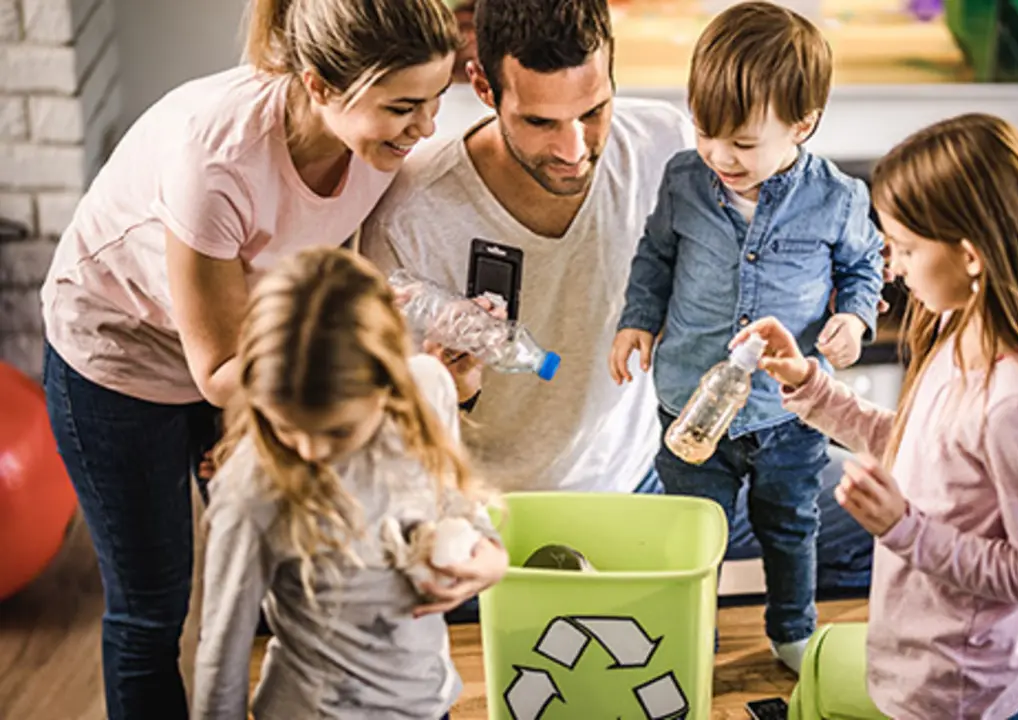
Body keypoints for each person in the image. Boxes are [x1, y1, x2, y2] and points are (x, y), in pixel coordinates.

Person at [360, 0, 877, 610]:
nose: (574, 148)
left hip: (656, 474)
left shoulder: (670, 145)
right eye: (540, 122)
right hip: (499, 518)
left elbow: (786, 207)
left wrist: (860, 289)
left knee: (880, 515)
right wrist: (454, 391)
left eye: (594, 110)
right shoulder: (411, 216)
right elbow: (386, 442)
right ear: (481, 85)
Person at [38, 0, 460, 715]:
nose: (424, 128)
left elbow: (327, 284)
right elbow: (220, 372)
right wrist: (377, 371)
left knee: (283, 572)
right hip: (122, 354)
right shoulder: (218, 159)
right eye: (404, 106)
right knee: (153, 607)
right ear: (321, 85)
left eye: (436, 102)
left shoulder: (374, 146)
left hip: (256, 355)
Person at [737, 113, 1018, 719]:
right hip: (920, 667)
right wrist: (811, 387)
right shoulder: (958, 330)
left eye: (903, 248)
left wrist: (904, 527)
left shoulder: (1013, 403)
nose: (892, 268)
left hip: (968, 694)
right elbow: (917, 445)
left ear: (971, 257)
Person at [609, 0, 884, 672]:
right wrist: (636, 319)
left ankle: (792, 631)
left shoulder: (839, 198)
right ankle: (688, 632)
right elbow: (655, 258)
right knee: (689, 534)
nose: (718, 155)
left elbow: (864, 265)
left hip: (788, 412)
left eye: (741, 142)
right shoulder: (684, 179)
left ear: (803, 124)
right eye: (706, 131)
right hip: (689, 399)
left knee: (790, 527)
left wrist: (854, 317)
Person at [193, 248, 504, 720]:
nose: (310, 451)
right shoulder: (252, 489)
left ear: (388, 384)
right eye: (284, 426)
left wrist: (490, 553)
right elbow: (221, 653)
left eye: (337, 432)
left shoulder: (429, 389)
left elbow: (453, 499)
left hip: (428, 703)